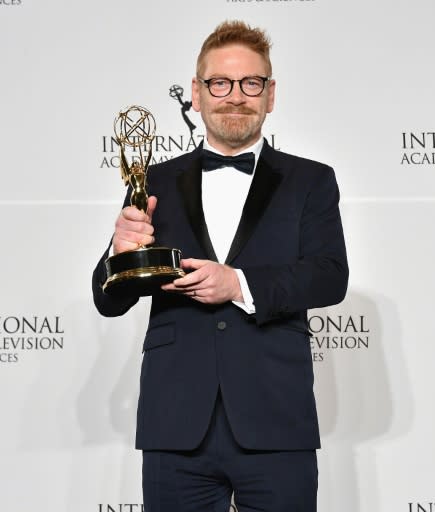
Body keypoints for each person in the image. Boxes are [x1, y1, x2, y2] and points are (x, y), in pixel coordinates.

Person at [92, 20, 348, 512]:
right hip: (176, 421)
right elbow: (108, 299)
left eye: (251, 83)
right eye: (220, 83)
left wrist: (239, 283)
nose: (235, 96)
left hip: (276, 417)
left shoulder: (311, 180)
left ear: (270, 95)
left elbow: (329, 275)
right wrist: (117, 256)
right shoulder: (154, 181)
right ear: (197, 93)